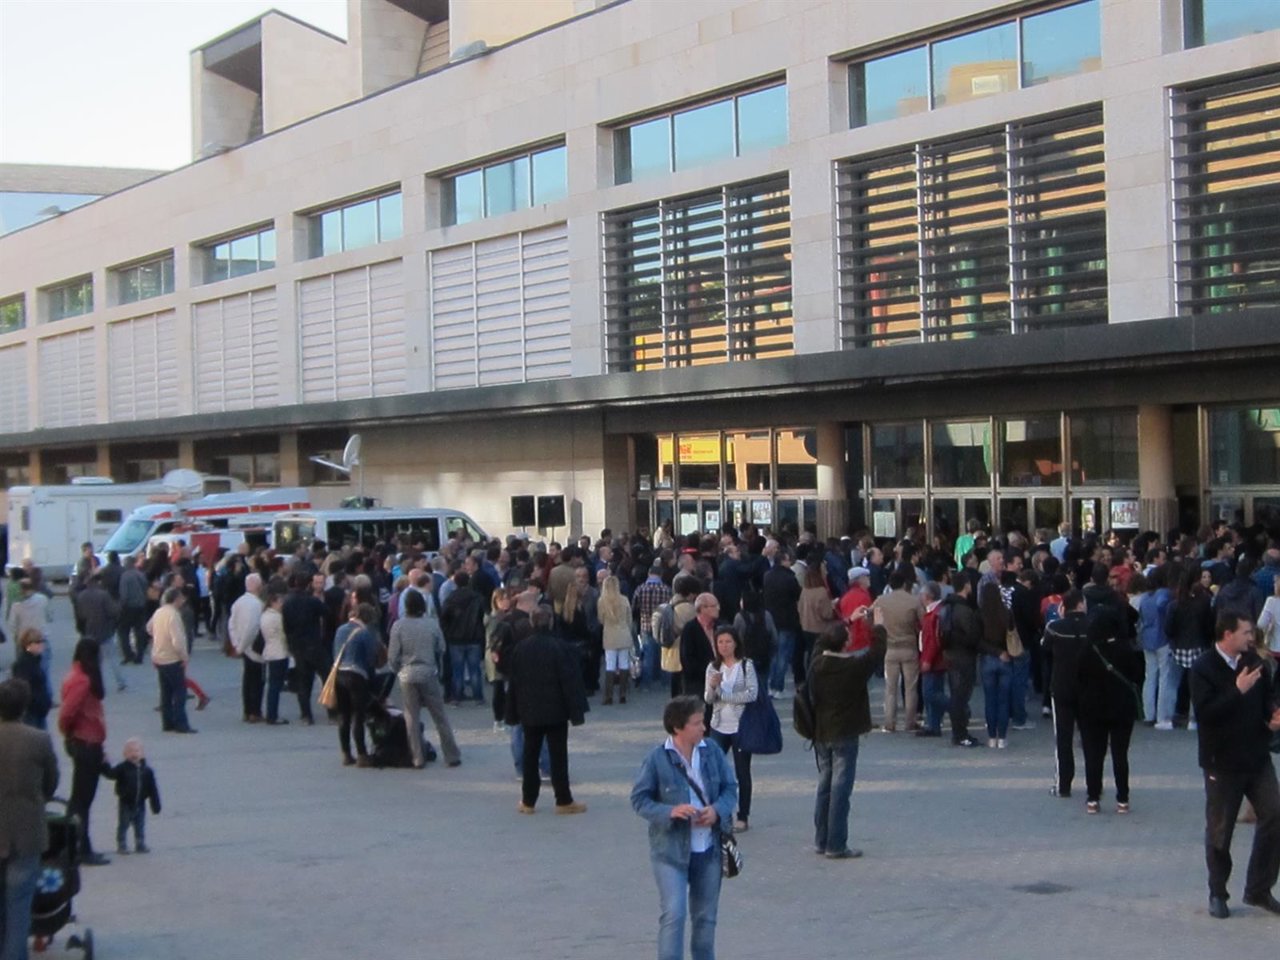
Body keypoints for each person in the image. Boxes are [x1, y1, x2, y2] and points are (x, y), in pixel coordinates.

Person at [630, 695, 737, 960]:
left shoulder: (712, 751)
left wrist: (716, 811)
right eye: (697, 723)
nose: (704, 728)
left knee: (705, 919)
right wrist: (670, 812)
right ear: (678, 727)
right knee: (674, 914)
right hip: (670, 851)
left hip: (708, 851)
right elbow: (639, 799)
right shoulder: (657, 759)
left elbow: (730, 788)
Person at [1190, 612, 1280, 919]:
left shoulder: (1254, 662)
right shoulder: (1203, 667)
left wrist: (1272, 716)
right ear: (1227, 635)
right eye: (1245, 632)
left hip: (1257, 757)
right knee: (1221, 830)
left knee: (1274, 814)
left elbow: (1267, 699)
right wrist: (1236, 691)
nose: (1251, 637)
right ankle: (1218, 892)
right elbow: (1205, 714)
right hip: (1222, 762)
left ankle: (1259, 889)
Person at [809, 618, 885, 859]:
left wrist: (847, 620)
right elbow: (877, 652)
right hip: (845, 732)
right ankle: (836, 844)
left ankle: (821, 839)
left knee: (824, 786)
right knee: (841, 789)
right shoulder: (853, 667)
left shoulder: (817, 663)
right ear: (845, 643)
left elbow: (819, 642)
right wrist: (877, 626)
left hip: (821, 732)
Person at [504, 606, 588, 814]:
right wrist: (576, 712)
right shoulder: (560, 647)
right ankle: (563, 799)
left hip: (529, 710)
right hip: (556, 710)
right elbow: (570, 682)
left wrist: (512, 712)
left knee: (530, 755)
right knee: (558, 756)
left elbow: (514, 683)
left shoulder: (521, 648)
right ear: (550, 622)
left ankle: (528, 801)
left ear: (532, 622)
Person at [0, 677, 59, 960]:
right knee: (19, 905)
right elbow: (51, 783)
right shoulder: (39, 740)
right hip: (26, 832)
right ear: (24, 707)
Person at [1076, 591, 1144, 815]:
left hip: (1091, 708)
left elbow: (1078, 678)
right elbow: (1137, 676)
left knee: (1093, 755)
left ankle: (1093, 798)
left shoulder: (1087, 650)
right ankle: (1122, 798)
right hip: (1121, 708)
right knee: (1120, 754)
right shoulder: (1125, 649)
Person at [388, 588, 461, 768]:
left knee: (411, 717)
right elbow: (441, 647)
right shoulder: (432, 624)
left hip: (407, 674)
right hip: (428, 672)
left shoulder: (398, 626)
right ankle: (451, 755)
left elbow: (393, 655)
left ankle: (417, 757)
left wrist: (398, 670)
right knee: (439, 716)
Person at [57, 639, 110, 864]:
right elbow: (66, 713)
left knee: (80, 799)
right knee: (82, 800)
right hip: (86, 743)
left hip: (86, 742)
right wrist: (70, 733)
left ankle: (75, 845)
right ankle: (79, 847)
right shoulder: (83, 681)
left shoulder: (77, 675)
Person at [703, 625, 758, 832]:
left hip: (740, 726)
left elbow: (751, 694)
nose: (724, 646)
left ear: (735, 644)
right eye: (720, 642)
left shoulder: (745, 665)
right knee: (713, 770)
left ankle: (743, 815)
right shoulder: (712, 667)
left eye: (728, 642)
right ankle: (718, 812)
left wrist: (725, 695)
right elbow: (708, 699)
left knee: (742, 772)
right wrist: (712, 686)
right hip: (719, 725)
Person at [1043, 590, 1089, 799]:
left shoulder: (1054, 628)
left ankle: (1063, 784)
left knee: (1063, 737)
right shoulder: (1092, 626)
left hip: (1062, 686)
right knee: (1091, 738)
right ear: (1080, 605)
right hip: (1088, 687)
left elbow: (1045, 650)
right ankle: (1094, 783)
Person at [333, 603, 384, 767]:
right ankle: (362, 754)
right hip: (357, 675)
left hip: (339, 674)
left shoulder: (340, 630)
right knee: (358, 716)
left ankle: (346, 753)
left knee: (344, 715)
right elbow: (370, 660)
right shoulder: (364, 633)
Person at [281, 571, 331, 726]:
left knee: (303, 681)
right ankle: (332, 712)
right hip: (314, 644)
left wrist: (290, 642)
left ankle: (306, 715)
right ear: (309, 584)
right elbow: (327, 612)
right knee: (326, 677)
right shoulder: (312, 601)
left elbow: (285, 625)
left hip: (298, 646)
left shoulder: (288, 602)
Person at [940, 577, 982, 748]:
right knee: (961, 696)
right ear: (966, 586)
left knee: (956, 694)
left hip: (950, 654)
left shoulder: (946, 607)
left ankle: (958, 732)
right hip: (963, 657)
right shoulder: (963, 610)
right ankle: (960, 734)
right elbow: (972, 636)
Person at [148, 588, 196, 734]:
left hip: (159, 656)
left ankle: (167, 722)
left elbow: (149, 628)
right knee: (180, 691)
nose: (183, 600)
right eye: (181, 598)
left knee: (166, 692)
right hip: (172, 658)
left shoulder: (159, 612)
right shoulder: (174, 615)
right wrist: (184, 656)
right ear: (176, 599)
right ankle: (181, 723)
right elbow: (178, 640)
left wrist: (158, 636)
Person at [101, 737, 161, 855]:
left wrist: (155, 805)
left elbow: (153, 789)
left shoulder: (147, 771)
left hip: (140, 803)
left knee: (140, 825)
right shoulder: (122, 768)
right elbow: (110, 774)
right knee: (123, 825)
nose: (133, 754)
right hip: (125, 803)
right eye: (130, 751)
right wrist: (104, 764)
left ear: (142, 754)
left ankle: (140, 843)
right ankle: (122, 844)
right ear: (125, 754)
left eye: (136, 751)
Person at [229, 573, 266, 723]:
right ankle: (255, 711)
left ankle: (247, 709)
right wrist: (243, 644)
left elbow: (231, 624)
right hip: (254, 647)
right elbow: (252, 628)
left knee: (247, 679)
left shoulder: (238, 602)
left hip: (242, 646)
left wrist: (237, 644)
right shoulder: (257, 604)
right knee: (257, 680)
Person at [598, 575, 633, 705]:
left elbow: (601, 619)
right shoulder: (624, 599)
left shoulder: (602, 601)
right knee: (624, 663)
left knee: (610, 664)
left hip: (610, 634)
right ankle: (623, 694)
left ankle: (608, 696)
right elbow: (629, 619)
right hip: (624, 633)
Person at [10, 629, 50, 729]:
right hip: (31, 711)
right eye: (37, 642)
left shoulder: (36, 660)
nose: (41, 645)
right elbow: (23, 687)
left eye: (42, 642)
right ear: (28, 645)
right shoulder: (23, 664)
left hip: (39, 710)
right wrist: (37, 702)